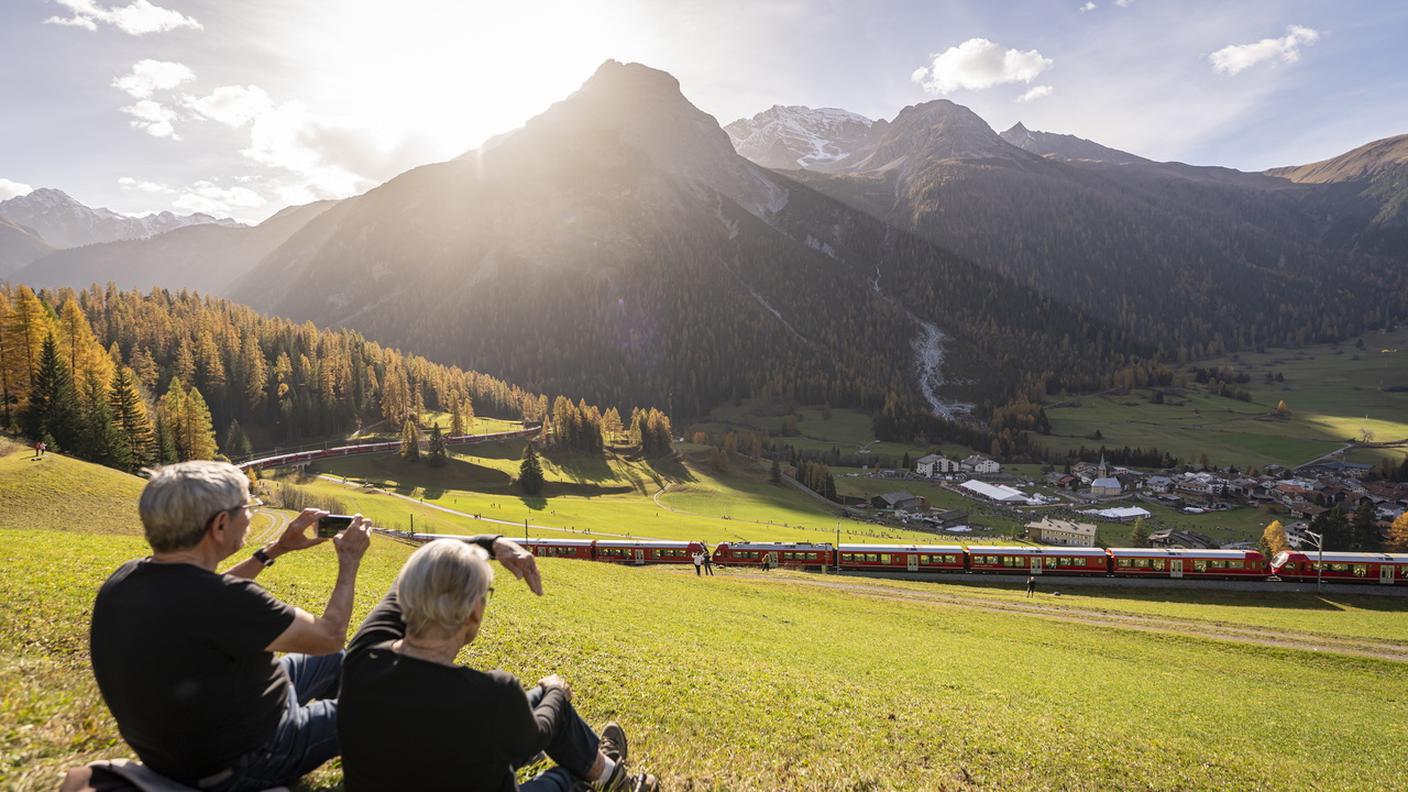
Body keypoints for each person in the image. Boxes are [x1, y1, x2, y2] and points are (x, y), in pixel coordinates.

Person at [87, 461, 370, 792]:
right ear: (221, 524)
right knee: (376, 701)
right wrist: (349, 562)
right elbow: (330, 636)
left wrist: (276, 549)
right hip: (249, 759)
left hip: (177, 754)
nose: (249, 515)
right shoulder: (230, 601)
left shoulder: (126, 577)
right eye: (246, 507)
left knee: (342, 664)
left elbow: (204, 596)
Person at [338, 538, 658, 791]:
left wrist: (493, 545)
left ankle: (611, 773)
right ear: (474, 613)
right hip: (485, 738)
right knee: (567, 777)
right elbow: (536, 735)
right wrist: (556, 692)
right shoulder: (492, 695)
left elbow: (432, 563)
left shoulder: (362, 655)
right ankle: (616, 781)